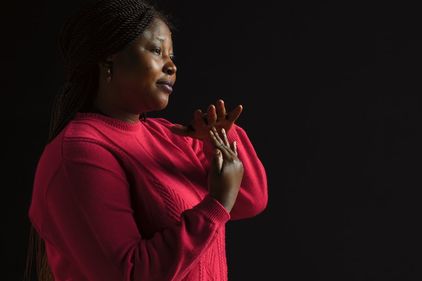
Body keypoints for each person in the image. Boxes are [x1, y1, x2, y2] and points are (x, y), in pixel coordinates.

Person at [24, 0, 268, 280]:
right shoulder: (80, 152)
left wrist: (220, 141)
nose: (172, 67)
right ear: (108, 59)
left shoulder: (172, 137)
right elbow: (128, 272)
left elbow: (250, 199)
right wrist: (216, 204)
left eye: (172, 56)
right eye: (156, 50)